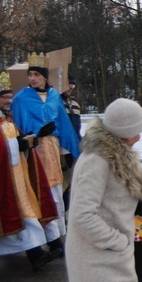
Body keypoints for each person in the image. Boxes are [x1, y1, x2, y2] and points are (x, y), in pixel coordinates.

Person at [65, 98, 142, 282]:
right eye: (136, 131)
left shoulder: (116, 154)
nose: (139, 137)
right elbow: (82, 215)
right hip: (98, 261)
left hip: (110, 260)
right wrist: (119, 242)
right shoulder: (97, 160)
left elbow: (112, 197)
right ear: (123, 132)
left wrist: (137, 198)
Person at [0, 71, 61, 270]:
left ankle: (36, 254)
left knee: (27, 213)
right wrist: (17, 145)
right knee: (17, 215)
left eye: (11, 97)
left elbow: (12, 142)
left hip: (17, 176)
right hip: (1, 179)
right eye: (5, 98)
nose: (9, 101)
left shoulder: (3, 119)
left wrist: (27, 142)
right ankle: (36, 254)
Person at [10, 52, 81, 254]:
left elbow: (64, 124)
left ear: (44, 77)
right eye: (30, 74)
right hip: (34, 151)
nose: (32, 78)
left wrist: (69, 149)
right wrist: (36, 134)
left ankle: (57, 236)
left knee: (57, 193)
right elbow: (17, 128)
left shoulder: (53, 97)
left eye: (36, 75)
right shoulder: (21, 99)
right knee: (41, 193)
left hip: (53, 149)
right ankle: (47, 239)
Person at [60, 73, 81, 214]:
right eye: (68, 83)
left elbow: (76, 127)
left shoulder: (74, 103)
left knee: (72, 185)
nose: (71, 87)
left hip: (74, 149)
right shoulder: (55, 102)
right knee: (62, 185)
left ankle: (67, 213)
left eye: (72, 84)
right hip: (61, 149)